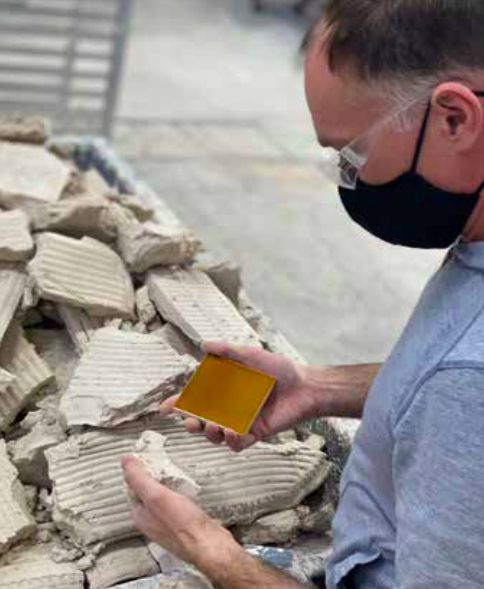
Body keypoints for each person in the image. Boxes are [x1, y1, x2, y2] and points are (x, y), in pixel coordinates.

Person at [122, 1, 484, 587]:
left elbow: (461, 385)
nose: (344, 174)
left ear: (454, 119)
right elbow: (443, 383)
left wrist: (211, 551)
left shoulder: (467, 382)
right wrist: (317, 387)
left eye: (351, 152)